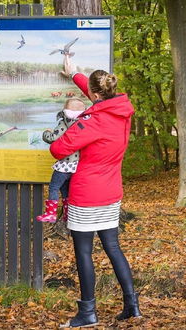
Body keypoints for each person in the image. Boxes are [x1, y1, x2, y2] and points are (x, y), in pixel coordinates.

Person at [53, 55, 141, 328]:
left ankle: (87, 313)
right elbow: (98, 100)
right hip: (111, 191)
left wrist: (74, 123)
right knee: (113, 247)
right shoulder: (121, 111)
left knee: (83, 252)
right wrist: (75, 74)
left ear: (92, 94)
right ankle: (132, 305)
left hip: (86, 194)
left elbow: (57, 149)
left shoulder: (91, 121)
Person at [36, 97, 86, 223]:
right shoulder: (82, 124)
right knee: (65, 191)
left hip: (64, 165)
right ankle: (67, 216)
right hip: (76, 165)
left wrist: (45, 133)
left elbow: (53, 137)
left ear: (66, 111)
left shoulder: (64, 123)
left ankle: (51, 214)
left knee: (53, 187)